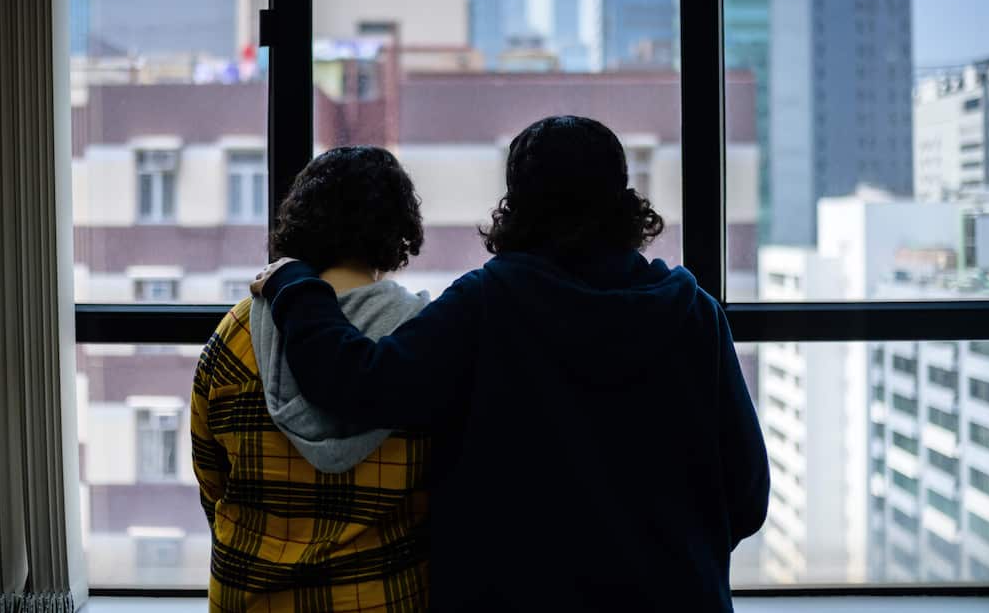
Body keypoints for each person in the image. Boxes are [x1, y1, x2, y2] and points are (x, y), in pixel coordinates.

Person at [253, 115, 769, 612]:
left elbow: (356, 384)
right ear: (624, 201)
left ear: (516, 206)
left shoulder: (487, 304)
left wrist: (296, 284)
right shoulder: (694, 313)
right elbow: (747, 495)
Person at [191, 146, 433, 612]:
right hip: (380, 596)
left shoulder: (236, 333)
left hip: (248, 595)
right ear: (398, 229)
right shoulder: (421, 338)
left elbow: (211, 477)